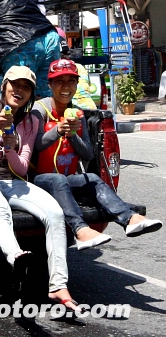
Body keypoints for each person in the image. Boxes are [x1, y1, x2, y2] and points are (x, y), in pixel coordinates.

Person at [0, 65, 79, 311]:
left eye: (26, 87)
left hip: (14, 182)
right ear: (3, 87)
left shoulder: (30, 120)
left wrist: (12, 148)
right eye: (15, 85)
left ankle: (58, 285)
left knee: (55, 214)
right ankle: (16, 256)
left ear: (31, 94)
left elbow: (23, 168)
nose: (19, 90)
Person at [31, 59, 163, 250]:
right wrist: (58, 131)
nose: (66, 87)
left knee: (91, 177)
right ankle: (80, 230)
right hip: (38, 180)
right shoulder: (39, 110)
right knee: (58, 179)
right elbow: (34, 146)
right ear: (50, 84)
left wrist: (73, 135)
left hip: (65, 179)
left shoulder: (76, 113)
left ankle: (129, 218)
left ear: (77, 84)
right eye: (60, 81)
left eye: (71, 81)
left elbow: (87, 155)